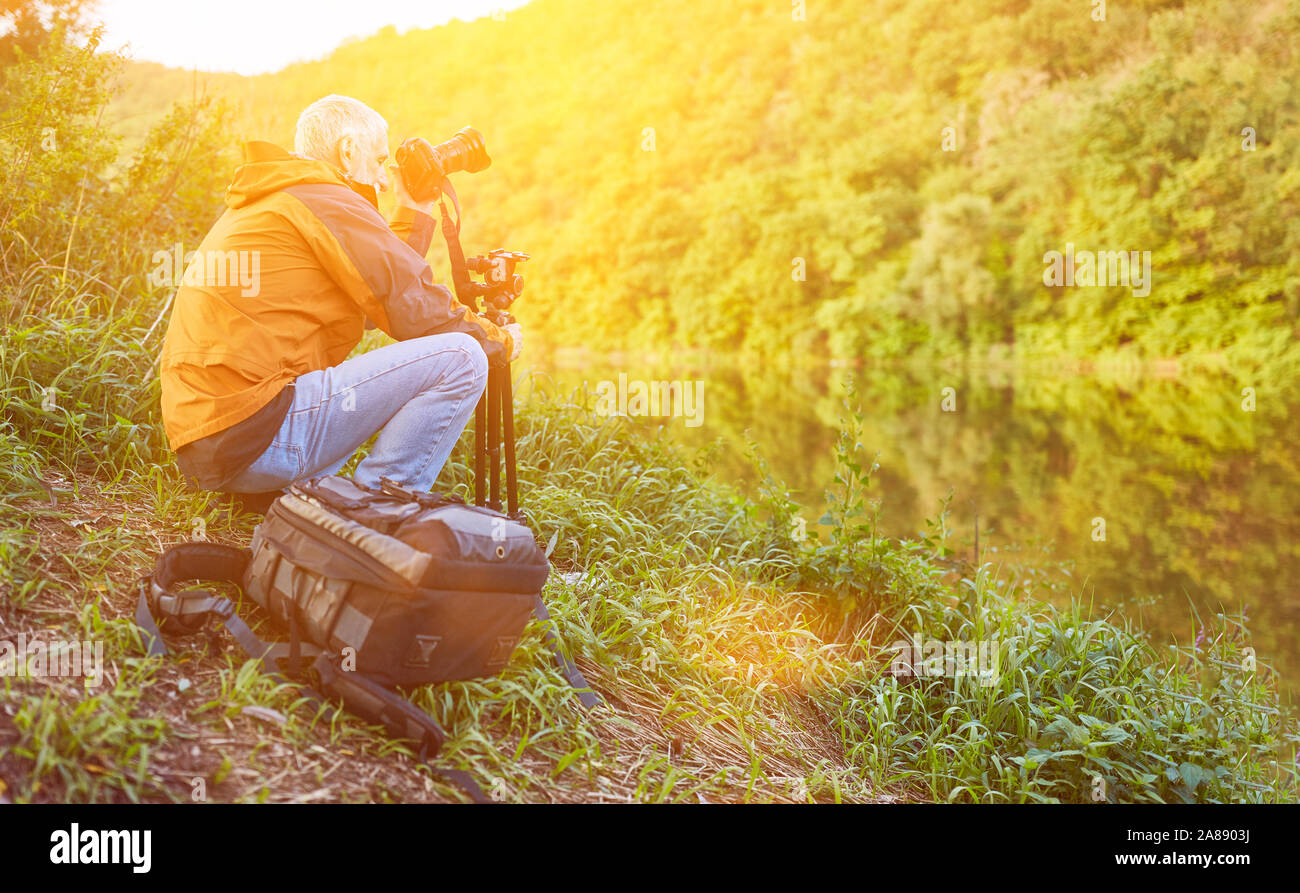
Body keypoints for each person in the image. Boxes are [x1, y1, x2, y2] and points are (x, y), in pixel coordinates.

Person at [159, 94, 519, 498]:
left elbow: (373, 296)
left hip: (212, 444)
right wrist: (497, 339)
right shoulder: (322, 197)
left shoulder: (282, 195)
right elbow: (410, 304)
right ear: (348, 151)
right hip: (255, 433)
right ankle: (378, 509)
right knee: (462, 357)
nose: (384, 179)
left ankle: (296, 498)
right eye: (380, 161)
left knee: (457, 350)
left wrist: (413, 211)